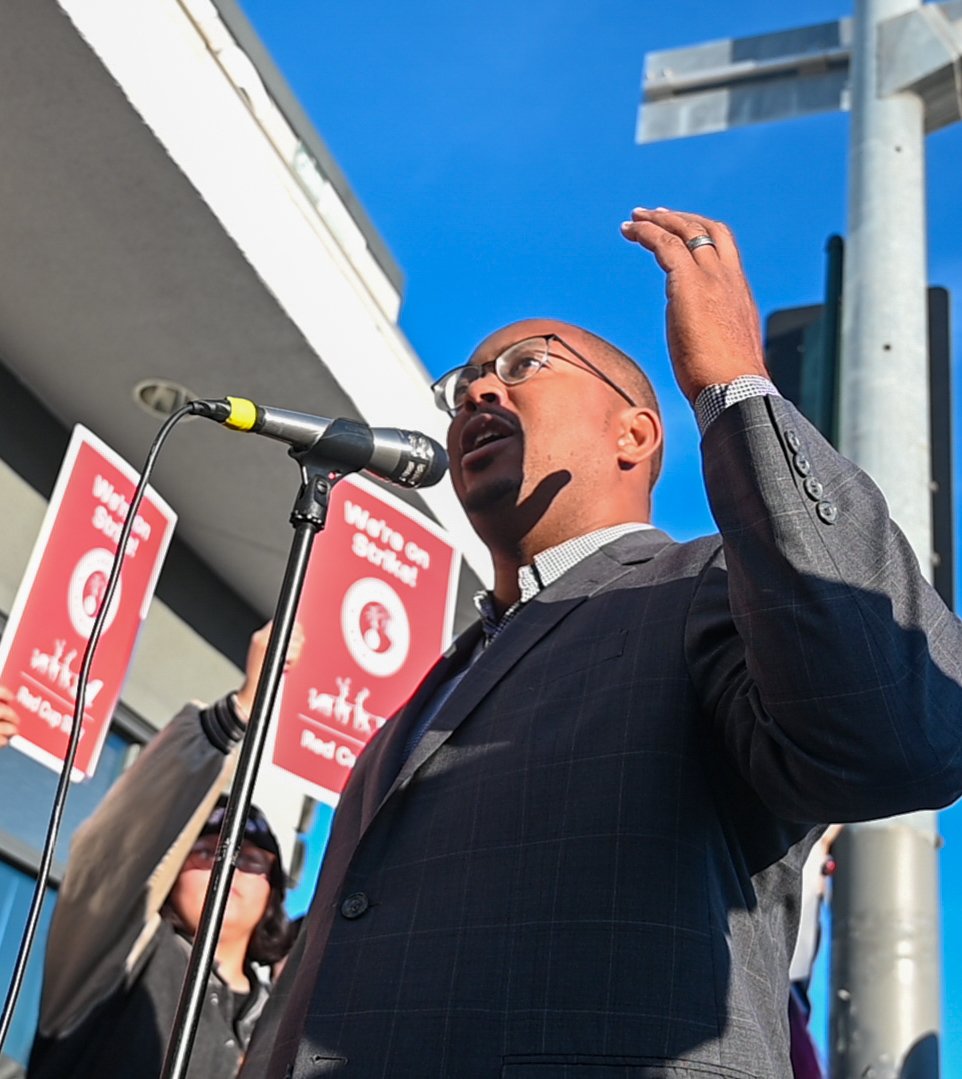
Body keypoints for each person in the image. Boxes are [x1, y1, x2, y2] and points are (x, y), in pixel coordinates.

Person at [242, 207, 962, 1079]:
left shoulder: (706, 588)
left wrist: (734, 386)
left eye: (523, 365)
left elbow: (903, 731)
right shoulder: (432, 692)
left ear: (636, 434)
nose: (479, 393)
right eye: (464, 385)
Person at [27, 622, 303, 1079]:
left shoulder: (286, 1023)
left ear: (274, 892)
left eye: (251, 860)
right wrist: (243, 708)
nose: (228, 867)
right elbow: (115, 849)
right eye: (208, 852)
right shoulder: (117, 950)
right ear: (171, 875)